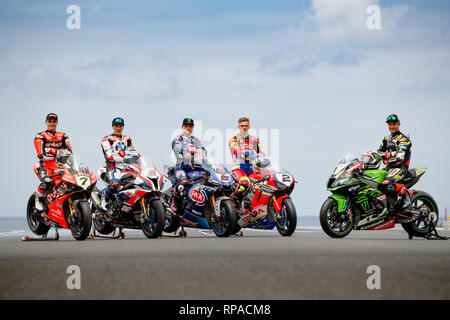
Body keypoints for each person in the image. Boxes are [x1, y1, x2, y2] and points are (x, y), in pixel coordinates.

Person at [33, 113, 73, 211]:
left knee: (70, 182)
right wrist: (46, 153)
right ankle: (38, 198)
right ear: (46, 122)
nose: (52, 123)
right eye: (50, 121)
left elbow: (70, 151)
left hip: (60, 165)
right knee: (46, 182)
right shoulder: (41, 135)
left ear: (57, 122)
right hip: (45, 165)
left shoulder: (63, 135)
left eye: (54, 121)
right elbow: (39, 152)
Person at [170, 118, 208, 214]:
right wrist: (187, 151)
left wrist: (206, 160)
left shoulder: (197, 140)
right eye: (186, 126)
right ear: (182, 127)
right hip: (181, 168)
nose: (188, 128)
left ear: (193, 128)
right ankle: (174, 201)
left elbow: (203, 151)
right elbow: (177, 148)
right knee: (184, 182)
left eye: (190, 126)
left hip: (195, 169)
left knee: (207, 181)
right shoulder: (178, 139)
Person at [100, 117, 139, 211]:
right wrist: (125, 156)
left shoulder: (127, 139)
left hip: (128, 168)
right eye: (116, 126)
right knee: (115, 183)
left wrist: (131, 156)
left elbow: (136, 153)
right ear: (113, 127)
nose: (118, 128)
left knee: (139, 182)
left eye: (120, 126)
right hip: (113, 168)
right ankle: (104, 198)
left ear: (123, 127)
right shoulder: (107, 139)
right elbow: (109, 156)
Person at [377, 114, 413, 209]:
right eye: (390, 124)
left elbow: (400, 157)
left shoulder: (404, 139)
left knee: (388, 184)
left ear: (399, 124)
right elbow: (378, 153)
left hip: (401, 167)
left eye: (394, 124)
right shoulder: (386, 139)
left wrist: (386, 156)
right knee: (375, 181)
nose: (392, 126)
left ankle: (406, 195)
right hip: (388, 168)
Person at [228, 117, 265, 197]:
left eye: (246, 126)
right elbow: (235, 150)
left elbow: (261, 152)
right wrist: (243, 155)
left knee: (266, 182)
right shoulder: (234, 139)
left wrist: (263, 158)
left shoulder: (254, 139)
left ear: (249, 127)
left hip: (253, 168)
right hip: (238, 168)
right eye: (242, 126)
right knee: (244, 184)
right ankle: (232, 200)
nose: (244, 127)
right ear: (239, 127)